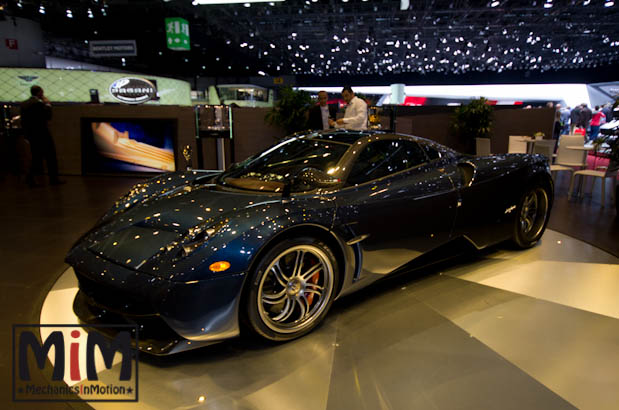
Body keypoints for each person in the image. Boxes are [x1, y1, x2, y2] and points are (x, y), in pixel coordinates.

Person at [20, 85, 63, 186]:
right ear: (39, 92)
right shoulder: (38, 104)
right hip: (43, 134)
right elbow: (48, 116)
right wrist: (48, 104)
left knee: (37, 158)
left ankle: (30, 178)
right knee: (50, 157)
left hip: (32, 135)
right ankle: (53, 179)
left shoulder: (24, 104)